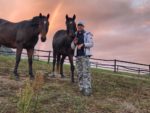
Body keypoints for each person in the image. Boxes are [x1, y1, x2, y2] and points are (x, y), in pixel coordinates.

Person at [71, 21, 94, 96]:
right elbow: (72, 47)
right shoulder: (75, 35)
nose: (79, 27)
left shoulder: (87, 34)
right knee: (79, 73)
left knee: (86, 73)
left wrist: (83, 45)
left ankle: (87, 89)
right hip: (78, 57)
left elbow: (91, 44)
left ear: (83, 27)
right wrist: (74, 43)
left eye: (81, 26)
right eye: (78, 26)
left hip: (85, 56)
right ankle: (81, 88)